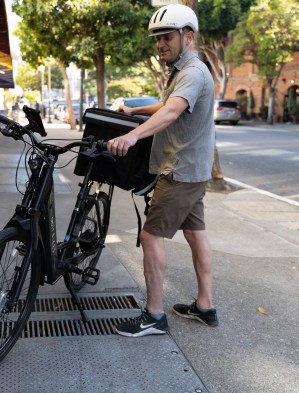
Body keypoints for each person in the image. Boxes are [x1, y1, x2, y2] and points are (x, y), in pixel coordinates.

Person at [106, 4, 218, 337]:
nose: (160, 45)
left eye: (167, 37)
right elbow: (166, 101)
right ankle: (205, 306)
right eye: (157, 39)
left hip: (180, 171)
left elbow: (171, 111)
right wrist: (133, 108)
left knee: (150, 235)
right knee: (195, 233)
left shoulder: (194, 73)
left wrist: (132, 134)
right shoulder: (183, 72)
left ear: (188, 36)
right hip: (192, 170)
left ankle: (154, 316)